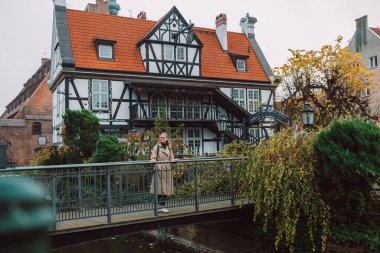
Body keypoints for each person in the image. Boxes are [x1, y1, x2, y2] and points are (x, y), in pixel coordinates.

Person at [150, 132, 175, 213]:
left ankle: (162, 206)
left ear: (166, 138)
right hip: (159, 168)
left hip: (167, 168)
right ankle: (160, 206)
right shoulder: (156, 147)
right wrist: (153, 159)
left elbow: (171, 157)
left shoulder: (169, 147)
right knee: (159, 187)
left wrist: (174, 160)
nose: (162, 138)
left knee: (166, 187)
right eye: (161, 137)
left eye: (163, 137)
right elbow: (153, 157)